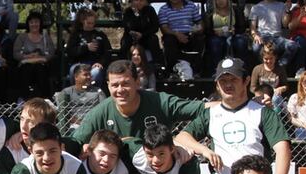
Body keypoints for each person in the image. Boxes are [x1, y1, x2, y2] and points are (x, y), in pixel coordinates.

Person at [174, 58, 291, 174]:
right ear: (217, 85)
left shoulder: (263, 113)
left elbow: (282, 147)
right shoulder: (211, 114)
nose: (228, 85)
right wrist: (205, 151)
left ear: (246, 80)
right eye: (223, 80)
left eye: (233, 79)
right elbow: (181, 137)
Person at [72, 59, 206, 148]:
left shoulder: (160, 102)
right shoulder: (100, 113)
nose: (120, 90)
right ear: (108, 86)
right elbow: (75, 142)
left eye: (125, 84)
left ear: (137, 82)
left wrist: (184, 138)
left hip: (158, 173)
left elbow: (203, 108)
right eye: (115, 85)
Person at [158, 0, 204, 76]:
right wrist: (177, 34)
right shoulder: (163, 9)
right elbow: (164, 28)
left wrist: (198, 29)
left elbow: (200, 22)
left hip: (190, 33)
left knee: (200, 38)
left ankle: (196, 70)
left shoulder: (191, 6)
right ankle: (172, 70)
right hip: (173, 34)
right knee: (168, 40)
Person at [249, 0, 298, 69]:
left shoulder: (281, 5)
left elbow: (285, 24)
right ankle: (264, 68)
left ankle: (279, 66)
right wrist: (255, 35)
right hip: (263, 36)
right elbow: (252, 27)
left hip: (277, 37)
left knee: (293, 45)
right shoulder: (256, 7)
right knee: (256, 48)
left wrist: (287, 10)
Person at [203, 0, 248, 75]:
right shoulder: (211, 12)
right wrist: (215, 32)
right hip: (216, 36)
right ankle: (216, 69)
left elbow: (241, 26)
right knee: (215, 43)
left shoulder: (235, 10)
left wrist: (234, 31)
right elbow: (207, 30)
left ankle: (241, 68)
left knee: (240, 42)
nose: (221, 1)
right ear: (215, 1)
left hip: (233, 35)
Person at [13, 12, 54, 100]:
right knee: (26, 69)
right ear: (28, 24)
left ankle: (44, 98)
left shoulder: (45, 37)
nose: (34, 24)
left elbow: (51, 53)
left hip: (42, 64)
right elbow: (16, 54)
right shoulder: (22, 37)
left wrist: (40, 58)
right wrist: (28, 56)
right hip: (26, 64)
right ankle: (24, 98)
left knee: (40, 69)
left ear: (40, 23)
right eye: (31, 22)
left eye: (36, 22)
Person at [67, 8, 111, 88]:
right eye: (88, 23)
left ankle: (91, 95)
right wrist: (86, 47)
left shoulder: (100, 34)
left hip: (95, 64)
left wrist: (101, 63)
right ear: (82, 21)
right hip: (79, 63)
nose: (91, 25)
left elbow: (107, 52)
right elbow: (70, 52)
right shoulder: (76, 35)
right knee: (73, 71)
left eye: (92, 23)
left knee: (95, 73)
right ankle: (77, 93)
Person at [55, 64, 106, 132]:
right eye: (85, 75)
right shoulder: (67, 92)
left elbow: (104, 109)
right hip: (72, 125)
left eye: (90, 75)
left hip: (94, 124)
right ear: (76, 77)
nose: (89, 77)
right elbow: (63, 113)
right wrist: (80, 123)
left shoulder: (98, 91)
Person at [120, 0, 162, 67]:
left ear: (144, 1)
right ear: (132, 1)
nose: (139, 2)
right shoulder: (128, 11)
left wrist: (143, 34)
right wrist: (136, 14)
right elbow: (127, 26)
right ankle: (123, 65)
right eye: (136, 0)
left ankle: (157, 65)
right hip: (132, 36)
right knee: (125, 41)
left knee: (153, 39)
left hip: (146, 36)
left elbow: (155, 26)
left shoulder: (150, 10)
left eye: (141, 0)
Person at [250, 43, 288, 108]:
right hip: (261, 97)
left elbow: (285, 85)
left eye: (271, 58)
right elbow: (252, 87)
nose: (268, 61)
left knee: (275, 99)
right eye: (266, 59)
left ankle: (274, 117)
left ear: (275, 57)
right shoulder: (257, 69)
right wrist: (262, 94)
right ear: (262, 58)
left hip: (275, 97)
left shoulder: (280, 69)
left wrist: (280, 89)